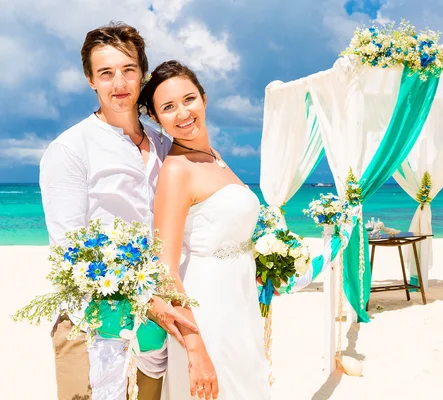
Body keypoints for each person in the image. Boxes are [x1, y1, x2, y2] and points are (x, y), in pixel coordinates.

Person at [39, 22, 197, 400]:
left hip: (159, 326)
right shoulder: (70, 150)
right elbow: (68, 250)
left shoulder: (165, 144)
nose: (119, 83)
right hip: (92, 321)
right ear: (90, 80)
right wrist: (142, 299)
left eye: (128, 70)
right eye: (106, 73)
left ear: (143, 73)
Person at [138, 60, 271, 400]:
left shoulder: (213, 156)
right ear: (156, 118)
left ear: (204, 99)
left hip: (239, 301)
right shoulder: (177, 170)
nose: (183, 113)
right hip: (208, 307)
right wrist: (195, 347)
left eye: (189, 99)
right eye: (168, 107)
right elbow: (164, 270)